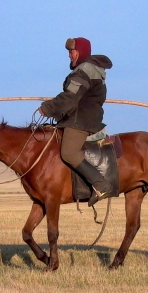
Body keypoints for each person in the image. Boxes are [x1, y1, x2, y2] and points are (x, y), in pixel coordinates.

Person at [38, 37, 114, 206]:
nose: (69, 56)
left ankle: (101, 184)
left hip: (81, 121)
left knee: (69, 153)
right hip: (77, 117)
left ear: (80, 52)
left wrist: (48, 108)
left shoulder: (84, 70)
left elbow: (70, 97)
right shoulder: (87, 69)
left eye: (72, 52)